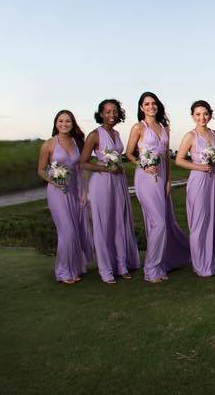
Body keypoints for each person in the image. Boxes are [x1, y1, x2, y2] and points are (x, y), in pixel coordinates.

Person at [126, 92, 190, 283]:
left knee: (165, 223)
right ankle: (151, 270)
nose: (151, 106)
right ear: (141, 107)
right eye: (146, 104)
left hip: (162, 177)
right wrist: (143, 164)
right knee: (158, 223)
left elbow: (166, 159)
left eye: (153, 103)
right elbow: (129, 154)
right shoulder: (138, 127)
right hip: (145, 179)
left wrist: (168, 180)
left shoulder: (164, 128)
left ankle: (162, 262)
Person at [79, 99, 140, 284]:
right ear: (101, 113)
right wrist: (106, 169)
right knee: (103, 225)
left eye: (114, 111)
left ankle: (121, 265)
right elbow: (83, 163)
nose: (111, 114)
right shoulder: (94, 135)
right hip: (101, 184)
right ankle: (105, 270)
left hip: (118, 182)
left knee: (119, 223)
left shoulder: (117, 133)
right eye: (107, 111)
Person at [174, 100, 215, 277]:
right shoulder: (190, 136)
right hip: (198, 180)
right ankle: (200, 265)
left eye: (205, 114)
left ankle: (209, 260)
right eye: (198, 114)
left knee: (211, 221)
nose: (202, 117)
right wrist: (199, 167)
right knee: (199, 223)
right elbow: (179, 160)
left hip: (214, 180)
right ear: (193, 116)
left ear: (210, 115)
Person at [37, 109, 92, 284]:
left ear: (72, 123)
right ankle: (62, 271)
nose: (64, 124)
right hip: (58, 192)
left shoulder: (77, 143)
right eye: (60, 121)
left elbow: (81, 169)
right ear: (55, 123)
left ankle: (74, 268)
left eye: (67, 121)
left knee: (75, 231)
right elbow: (41, 170)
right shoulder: (49, 144)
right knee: (66, 232)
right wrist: (53, 181)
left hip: (75, 192)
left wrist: (84, 192)